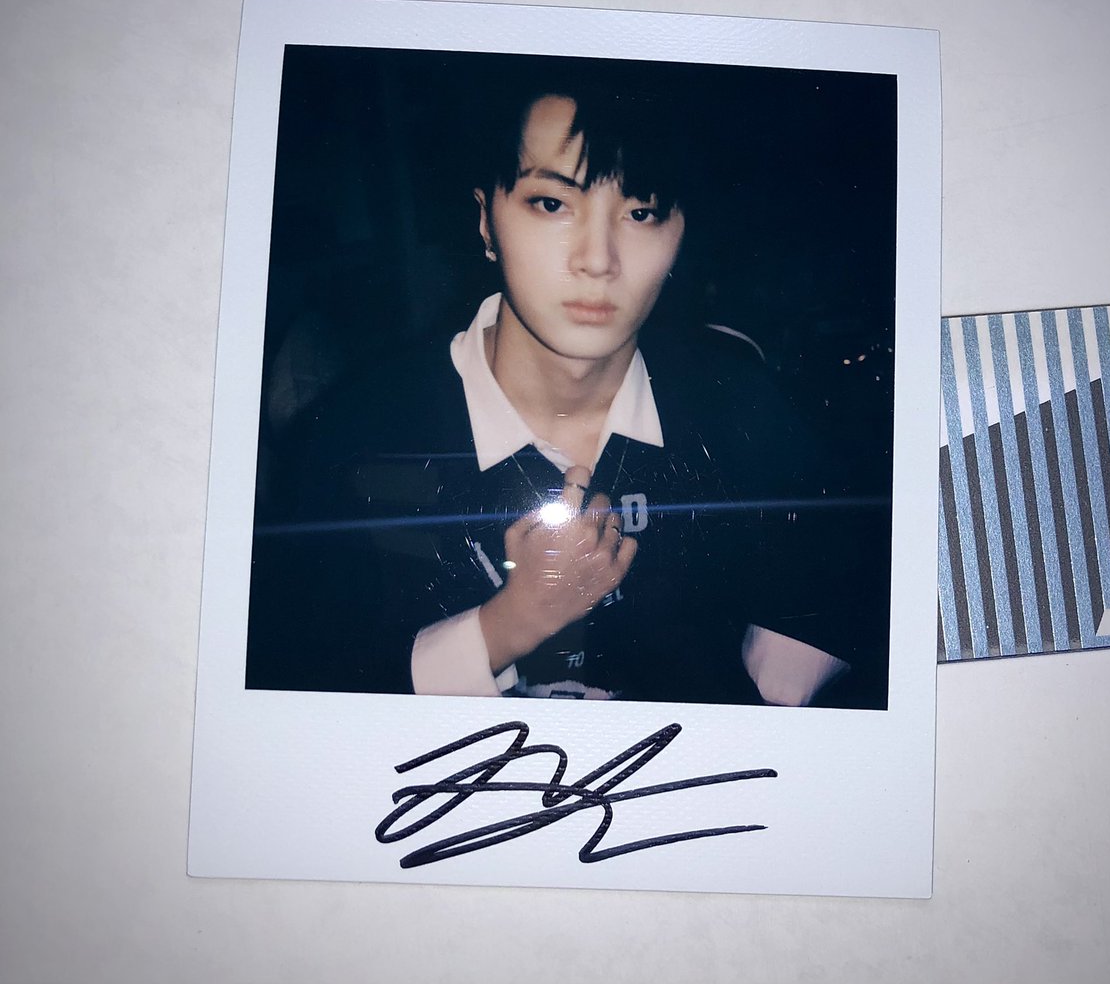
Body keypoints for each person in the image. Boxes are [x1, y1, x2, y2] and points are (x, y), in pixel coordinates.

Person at [246, 70, 860, 705]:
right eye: (551, 204)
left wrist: (770, 699)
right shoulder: (349, 438)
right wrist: (505, 627)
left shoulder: (742, 404)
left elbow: (842, 580)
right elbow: (290, 683)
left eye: (641, 212)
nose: (597, 259)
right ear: (486, 223)